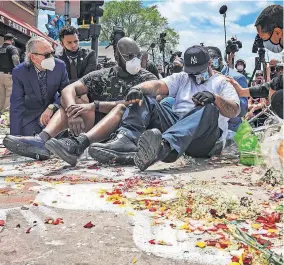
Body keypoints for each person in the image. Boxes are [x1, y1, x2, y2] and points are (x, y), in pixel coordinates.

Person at [3, 37, 157, 165]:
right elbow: (68, 89)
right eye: (129, 56)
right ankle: (42, 140)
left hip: (126, 131)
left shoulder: (147, 79)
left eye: (137, 56)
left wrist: (95, 105)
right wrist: (72, 111)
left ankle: (77, 144)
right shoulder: (102, 75)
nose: (135, 60)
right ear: (117, 57)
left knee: (108, 108)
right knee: (74, 103)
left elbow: (140, 105)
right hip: (97, 127)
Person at [89, 45, 240, 170]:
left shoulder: (222, 82)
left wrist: (215, 98)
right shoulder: (182, 77)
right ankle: (127, 139)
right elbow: (158, 85)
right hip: (177, 124)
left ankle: (163, 147)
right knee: (145, 98)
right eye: (191, 72)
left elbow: (234, 111)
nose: (195, 76)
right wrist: (139, 89)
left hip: (202, 139)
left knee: (208, 108)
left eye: (198, 71)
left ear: (209, 64)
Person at [3, 37, 69, 156]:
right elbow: (16, 104)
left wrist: (52, 107)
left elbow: (66, 93)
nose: (51, 58)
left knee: (58, 138)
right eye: (46, 54)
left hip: (53, 115)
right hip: (31, 117)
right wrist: (15, 138)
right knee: (27, 143)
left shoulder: (60, 66)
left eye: (52, 53)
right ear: (33, 57)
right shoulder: (19, 72)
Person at [207, 46, 248, 133]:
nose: (208, 66)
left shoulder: (237, 77)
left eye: (211, 62)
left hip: (231, 130)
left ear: (219, 60)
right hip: (208, 129)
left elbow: (243, 110)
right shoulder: (203, 75)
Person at [0, 33, 20, 113]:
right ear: (11, 40)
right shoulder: (12, 48)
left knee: (1, 95)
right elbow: (16, 60)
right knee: (9, 95)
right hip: (8, 75)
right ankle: (5, 114)